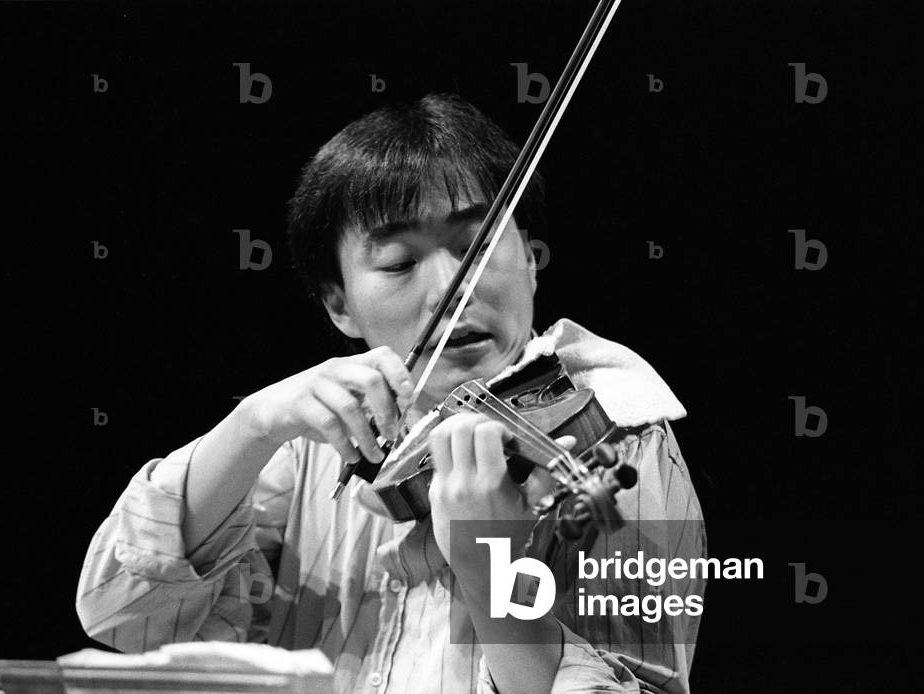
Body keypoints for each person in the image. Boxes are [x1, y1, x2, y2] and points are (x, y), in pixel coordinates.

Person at [76, 94, 706, 694]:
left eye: (477, 245)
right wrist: (252, 425)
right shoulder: (314, 447)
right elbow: (124, 614)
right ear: (339, 306)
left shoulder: (618, 435)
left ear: (532, 260)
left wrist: (491, 570)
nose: (450, 288)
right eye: (401, 262)